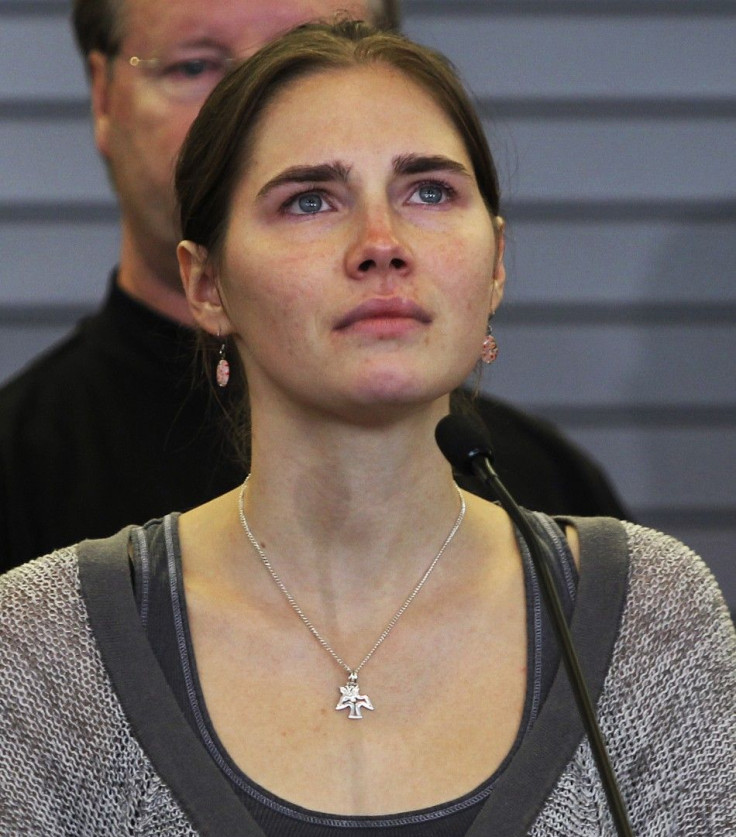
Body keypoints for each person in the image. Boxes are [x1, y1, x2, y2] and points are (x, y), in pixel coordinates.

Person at [1, 21, 733, 837]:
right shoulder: (46, 646)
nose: (382, 243)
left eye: (429, 192)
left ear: (496, 262)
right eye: (310, 199)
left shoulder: (654, 617)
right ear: (207, 285)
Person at [0, 0, 628, 575]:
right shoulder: (27, 512)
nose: (381, 244)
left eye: (430, 192)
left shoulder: (561, 508)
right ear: (103, 97)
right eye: (197, 66)